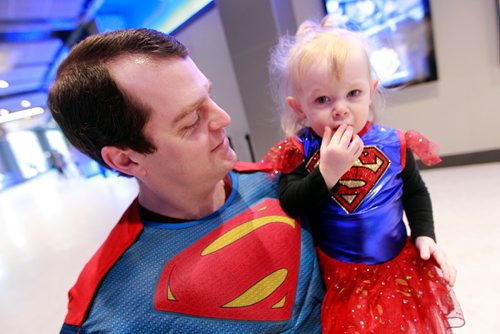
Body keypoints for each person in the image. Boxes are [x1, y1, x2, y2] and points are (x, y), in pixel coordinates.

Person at [48, 28, 324, 333]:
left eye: (209, 96)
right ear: (126, 160)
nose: (222, 118)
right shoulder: (109, 310)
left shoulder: (286, 182)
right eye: (191, 120)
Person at [264, 16, 465, 333]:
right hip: (340, 276)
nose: (340, 108)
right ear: (299, 106)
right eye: (322, 99)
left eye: (353, 93)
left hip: (397, 265)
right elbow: (290, 203)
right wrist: (325, 173)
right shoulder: (300, 151)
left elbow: (415, 193)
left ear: (371, 91)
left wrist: (425, 234)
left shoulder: (393, 143)